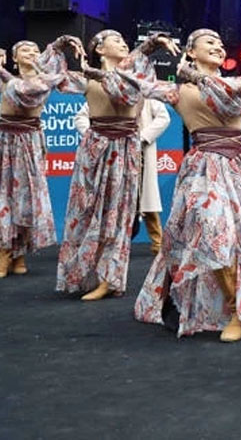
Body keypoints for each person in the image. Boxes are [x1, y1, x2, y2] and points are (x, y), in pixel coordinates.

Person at [133, 29, 241, 342]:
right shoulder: (177, 91)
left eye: (220, 43)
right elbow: (129, 80)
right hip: (199, 164)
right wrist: (148, 48)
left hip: (229, 165)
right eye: (209, 43)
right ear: (190, 51)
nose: (218, 46)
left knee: (222, 234)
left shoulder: (234, 84)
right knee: (206, 227)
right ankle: (216, 305)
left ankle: (235, 312)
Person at [55, 30, 179, 300]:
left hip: (124, 149)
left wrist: (148, 47)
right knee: (86, 211)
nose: (123, 43)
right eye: (115, 40)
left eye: (125, 40)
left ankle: (109, 278)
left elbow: (125, 85)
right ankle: (87, 272)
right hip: (95, 149)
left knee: (117, 214)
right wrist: (59, 46)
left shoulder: (133, 78)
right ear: (99, 49)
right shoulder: (87, 79)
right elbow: (47, 77)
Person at [0, 37, 78, 278]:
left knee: (25, 198)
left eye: (35, 49)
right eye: (24, 49)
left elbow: (24, 91)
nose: (31, 52)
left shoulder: (44, 81)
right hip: (4, 139)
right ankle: (3, 252)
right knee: (4, 197)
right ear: (14, 57)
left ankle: (19, 252)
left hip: (28, 140)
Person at [74, 99, 170, 254]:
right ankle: (109, 242)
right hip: (112, 152)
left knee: (146, 198)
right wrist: (95, 137)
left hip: (139, 152)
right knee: (113, 198)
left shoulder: (145, 95)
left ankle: (158, 243)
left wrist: (143, 137)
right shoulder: (105, 94)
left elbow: (164, 117)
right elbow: (81, 117)